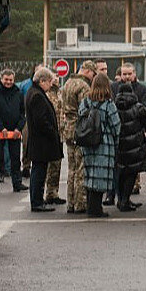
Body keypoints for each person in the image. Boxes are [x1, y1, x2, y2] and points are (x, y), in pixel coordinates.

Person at [78, 74, 121, 218]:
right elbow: (116, 125)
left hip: (88, 142)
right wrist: (116, 141)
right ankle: (96, 209)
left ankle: (91, 206)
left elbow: (80, 119)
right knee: (101, 176)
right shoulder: (108, 104)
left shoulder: (85, 102)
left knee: (90, 174)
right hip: (104, 144)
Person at [59, 61, 97, 213]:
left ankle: (70, 202)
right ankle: (80, 203)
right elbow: (85, 109)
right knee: (81, 168)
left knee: (71, 168)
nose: (93, 77)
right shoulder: (84, 86)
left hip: (68, 127)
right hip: (80, 129)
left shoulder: (67, 83)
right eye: (93, 73)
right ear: (87, 71)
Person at [24, 67, 61, 212]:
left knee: (38, 172)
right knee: (39, 173)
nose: (51, 85)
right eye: (50, 81)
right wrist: (53, 132)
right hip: (41, 142)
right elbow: (41, 120)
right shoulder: (37, 96)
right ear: (42, 81)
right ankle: (37, 202)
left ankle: (37, 200)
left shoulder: (33, 92)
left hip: (38, 142)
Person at [0, 70, 27, 193]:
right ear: (1, 79)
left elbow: (22, 113)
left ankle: (17, 183)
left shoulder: (18, 93)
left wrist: (18, 129)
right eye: (6, 80)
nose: (8, 82)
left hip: (14, 132)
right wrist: (1, 128)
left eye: (10, 80)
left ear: (14, 80)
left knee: (15, 159)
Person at [112, 81, 146, 212]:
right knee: (131, 173)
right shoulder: (138, 107)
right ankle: (125, 201)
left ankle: (121, 199)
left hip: (119, 145)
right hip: (134, 145)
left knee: (120, 172)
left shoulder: (114, 107)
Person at [42, 76, 67, 206]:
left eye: (57, 78)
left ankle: (54, 192)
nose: (55, 80)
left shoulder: (60, 93)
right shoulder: (45, 94)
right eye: (52, 78)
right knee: (49, 165)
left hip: (59, 133)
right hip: (49, 133)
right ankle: (48, 192)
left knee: (57, 164)